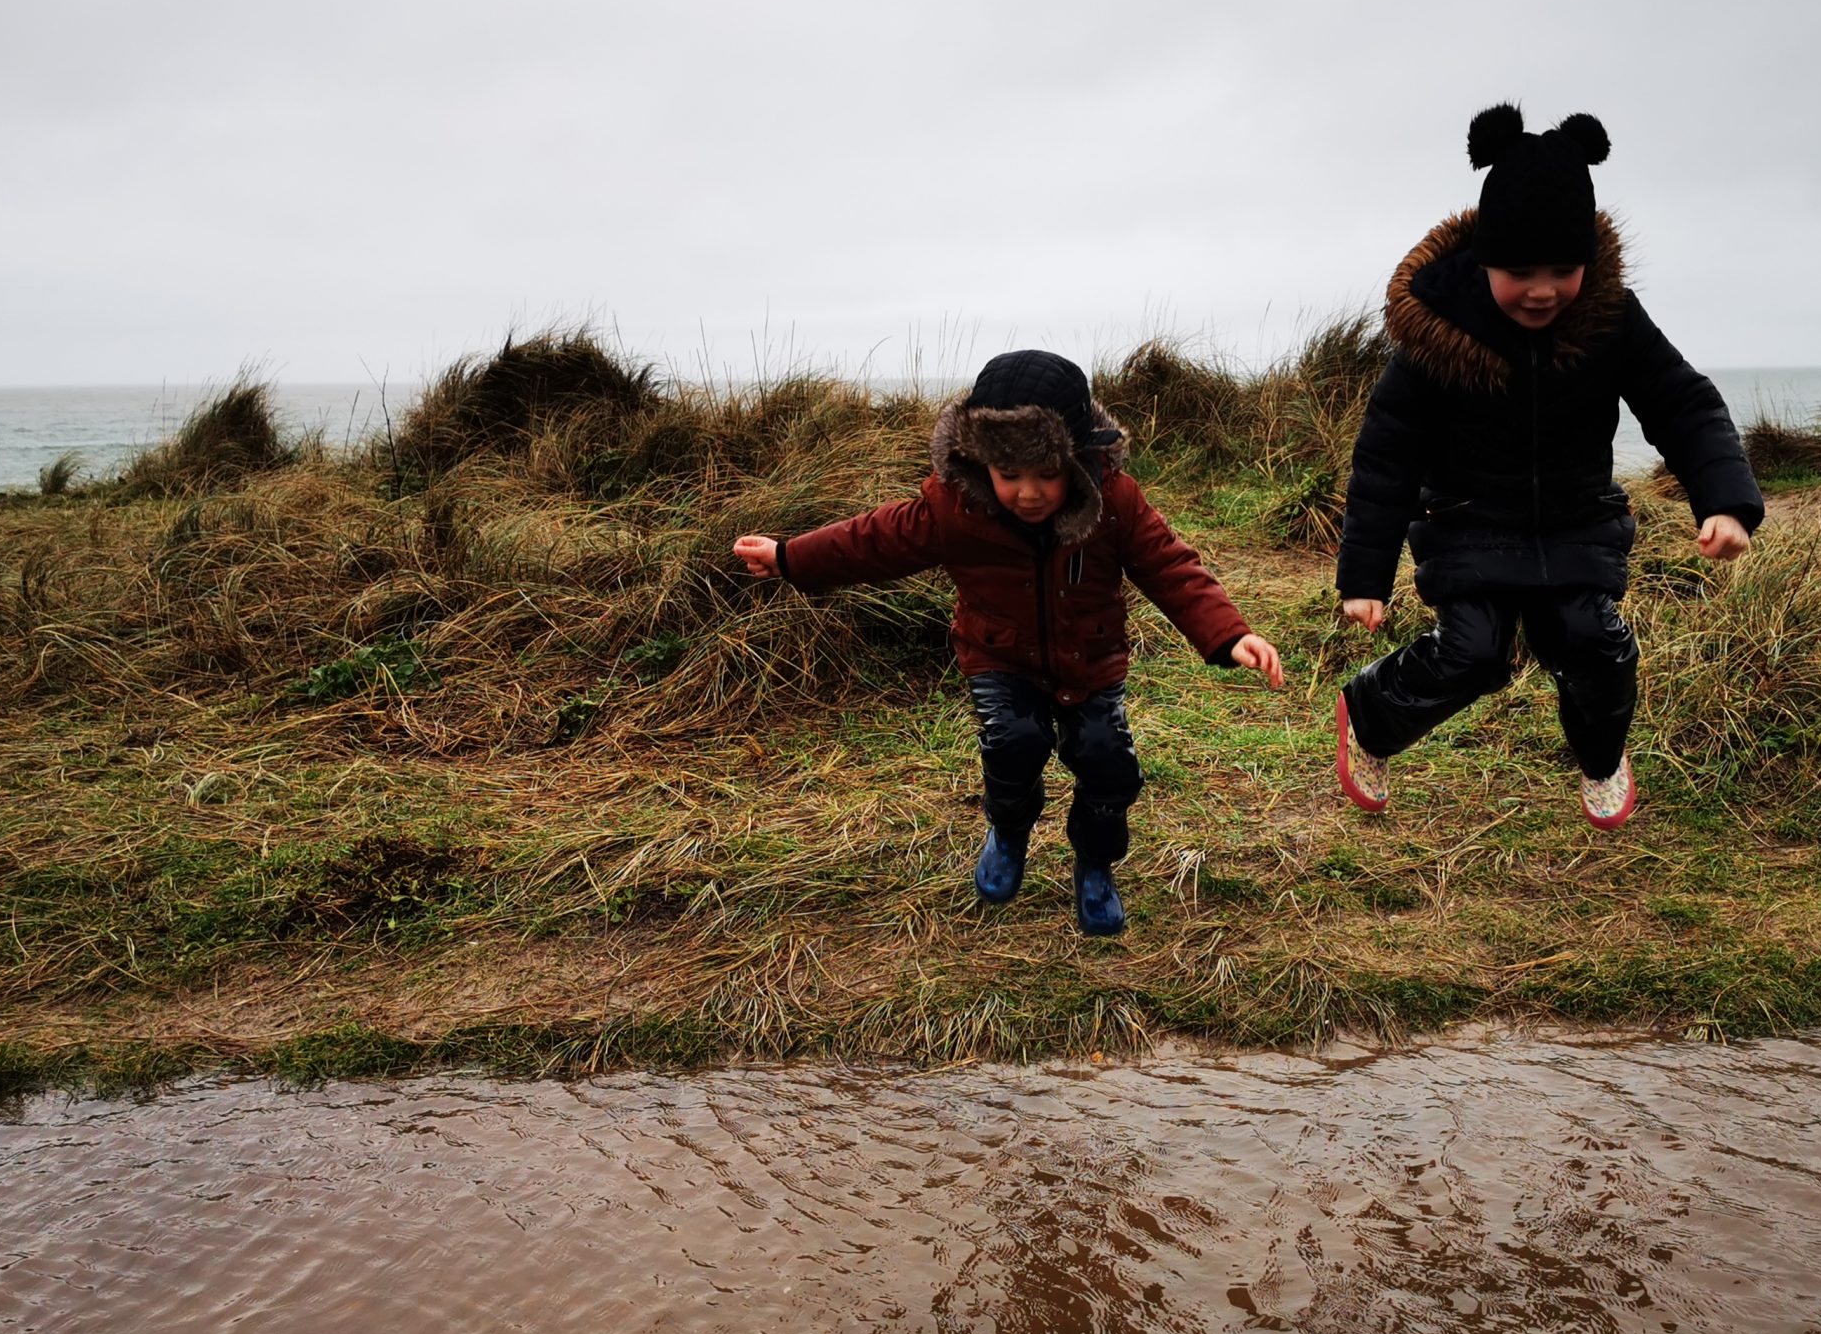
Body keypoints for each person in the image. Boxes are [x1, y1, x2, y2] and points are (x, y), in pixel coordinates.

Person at [734, 349, 1284, 936]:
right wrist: (791, 556)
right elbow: (873, 540)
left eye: (1046, 474)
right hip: (999, 657)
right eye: (1009, 474)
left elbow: (1171, 567)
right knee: (1013, 746)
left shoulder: (1114, 503)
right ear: (980, 462)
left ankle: (1095, 865)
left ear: (1077, 460)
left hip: (1091, 661)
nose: (1027, 493)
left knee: (1108, 765)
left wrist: (1231, 634)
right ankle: (1009, 831)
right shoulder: (956, 508)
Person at [1331, 104, 1761, 826]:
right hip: (1468, 525)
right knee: (1474, 653)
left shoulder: (1610, 317)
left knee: (1591, 641)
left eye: (1562, 270)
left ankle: (1600, 756)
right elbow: (1386, 457)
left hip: (1576, 521)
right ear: (1485, 261)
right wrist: (1365, 579)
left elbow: (1683, 403)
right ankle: (1370, 717)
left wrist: (1723, 501)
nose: (1542, 289)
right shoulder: (1439, 335)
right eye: (1520, 271)